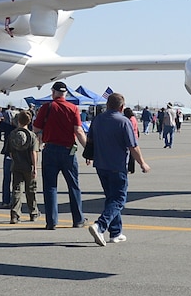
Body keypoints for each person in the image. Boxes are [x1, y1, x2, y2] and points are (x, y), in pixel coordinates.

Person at [86, 91, 149, 246]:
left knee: (111, 198)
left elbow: (90, 140)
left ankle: (116, 232)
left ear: (107, 105)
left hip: (101, 165)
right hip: (117, 165)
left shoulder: (98, 119)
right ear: (122, 107)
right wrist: (142, 163)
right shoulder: (124, 121)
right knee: (119, 199)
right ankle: (100, 225)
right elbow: (133, 145)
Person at [33, 82, 86, 231]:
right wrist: (88, 150)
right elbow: (78, 130)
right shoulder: (73, 108)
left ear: (53, 92)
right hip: (68, 151)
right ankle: (78, 219)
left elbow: (36, 128)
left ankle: (51, 221)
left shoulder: (47, 107)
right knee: (73, 186)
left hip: (50, 150)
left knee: (50, 187)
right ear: (66, 94)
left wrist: (43, 134)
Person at [2, 109, 38, 223]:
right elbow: (34, 153)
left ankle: (14, 214)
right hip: (28, 167)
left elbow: (10, 152)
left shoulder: (13, 134)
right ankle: (33, 212)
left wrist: (16, 160)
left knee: (16, 190)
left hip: (16, 165)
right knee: (30, 190)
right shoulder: (32, 136)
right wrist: (35, 167)